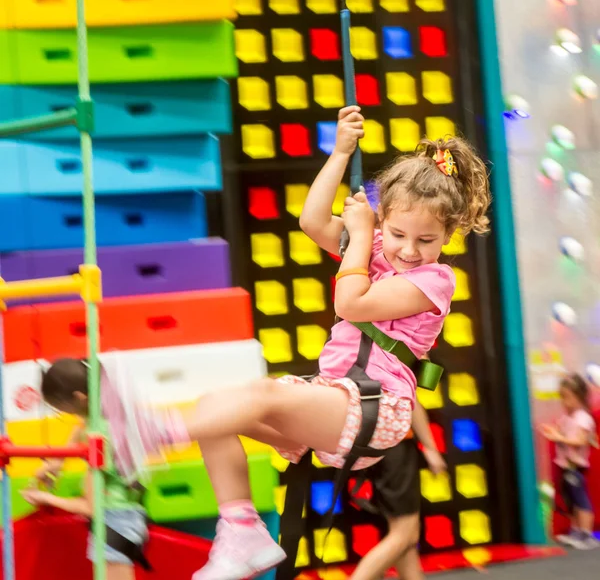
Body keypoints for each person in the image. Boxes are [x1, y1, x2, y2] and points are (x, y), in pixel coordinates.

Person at [38, 105, 491, 580]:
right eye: (397, 233)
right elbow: (312, 222)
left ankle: (155, 432)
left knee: (264, 393)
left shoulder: (435, 280)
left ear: (449, 236)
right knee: (220, 409)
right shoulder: (373, 246)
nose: (408, 249)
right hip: (336, 399)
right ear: (386, 220)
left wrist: (362, 235)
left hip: (378, 409)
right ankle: (241, 529)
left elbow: (351, 304)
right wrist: (339, 153)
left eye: (426, 239)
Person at [22, 362, 149, 580]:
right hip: (123, 514)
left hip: (114, 521)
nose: (62, 413)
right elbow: (80, 426)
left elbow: (89, 506)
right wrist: (58, 462)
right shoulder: (102, 413)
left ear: (80, 398)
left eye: (60, 409)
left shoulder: (98, 443)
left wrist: (45, 497)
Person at [350, 401, 446, 580]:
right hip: (396, 449)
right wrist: (431, 448)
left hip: (376, 448)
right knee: (405, 533)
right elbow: (412, 402)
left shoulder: (353, 372)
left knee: (406, 535)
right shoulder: (389, 371)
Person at [540, 372, 599, 550]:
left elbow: (580, 441)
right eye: (562, 398)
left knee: (581, 500)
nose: (565, 403)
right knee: (570, 500)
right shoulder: (568, 417)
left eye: (568, 398)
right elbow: (562, 431)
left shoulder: (583, 418)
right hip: (566, 465)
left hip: (576, 466)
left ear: (579, 397)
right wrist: (554, 431)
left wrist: (559, 437)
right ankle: (576, 530)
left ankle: (586, 533)